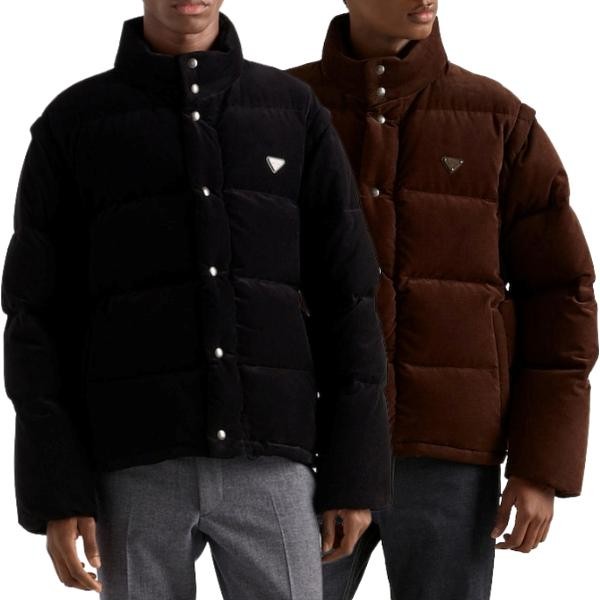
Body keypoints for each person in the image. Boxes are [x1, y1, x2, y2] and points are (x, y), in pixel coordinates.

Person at [1, 1, 393, 598]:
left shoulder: (292, 110)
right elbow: (36, 318)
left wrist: (354, 474)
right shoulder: (74, 122)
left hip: (273, 457)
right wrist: (58, 489)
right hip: (133, 464)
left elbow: (348, 299)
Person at [287, 1, 599, 599]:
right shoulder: (280, 110)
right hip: (306, 444)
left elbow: (561, 295)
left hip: (450, 451)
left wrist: (540, 465)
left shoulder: (497, 119)